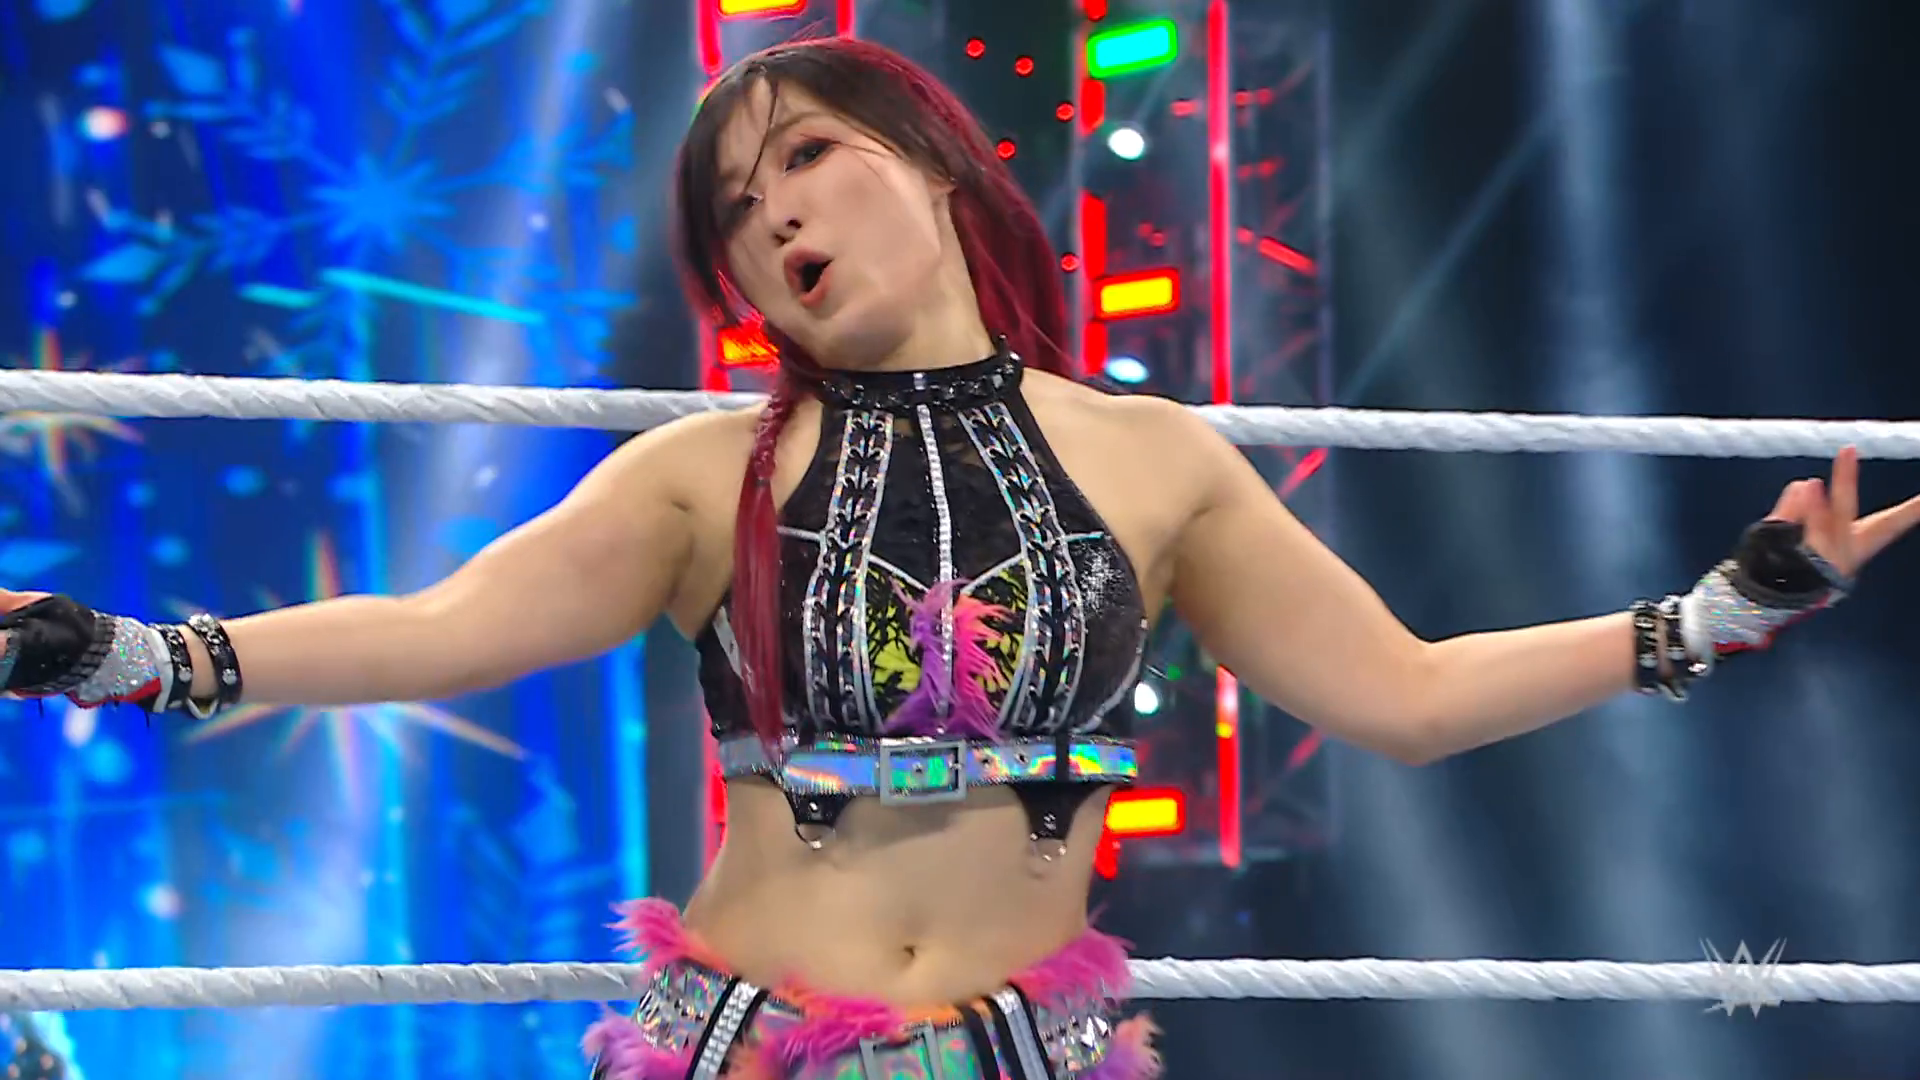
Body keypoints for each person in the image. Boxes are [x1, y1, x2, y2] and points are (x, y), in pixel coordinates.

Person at [3, 34, 1918, 1080]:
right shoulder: (704, 474)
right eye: (734, 210)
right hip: (744, 1049)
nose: (772, 218)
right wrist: (124, 652)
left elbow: (1403, 697)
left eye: (804, 160)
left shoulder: (1155, 458)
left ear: (925, 161)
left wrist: (1717, 612)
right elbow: (438, 630)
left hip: (1034, 1056)